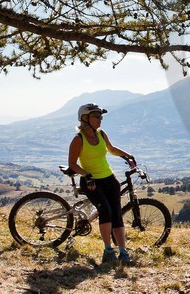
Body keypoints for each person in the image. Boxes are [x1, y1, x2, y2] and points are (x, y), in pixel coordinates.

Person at [67, 103, 138, 265]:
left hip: (109, 180)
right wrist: (87, 175)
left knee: (116, 214)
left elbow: (111, 149)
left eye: (101, 117)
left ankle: (123, 251)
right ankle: (108, 250)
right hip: (91, 181)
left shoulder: (101, 134)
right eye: (96, 116)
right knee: (105, 210)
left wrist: (128, 155)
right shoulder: (78, 139)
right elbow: (72, 164)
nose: (100, 120)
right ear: (85, 119)